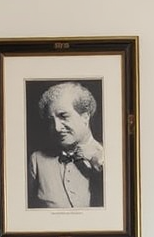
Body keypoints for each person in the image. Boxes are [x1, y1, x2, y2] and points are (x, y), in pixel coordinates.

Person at [27, 81, 104, 209]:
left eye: (63, 116)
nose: (57, 128)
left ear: (85, 117)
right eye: (51, 120)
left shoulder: (112, 154)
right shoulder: (37, 160)